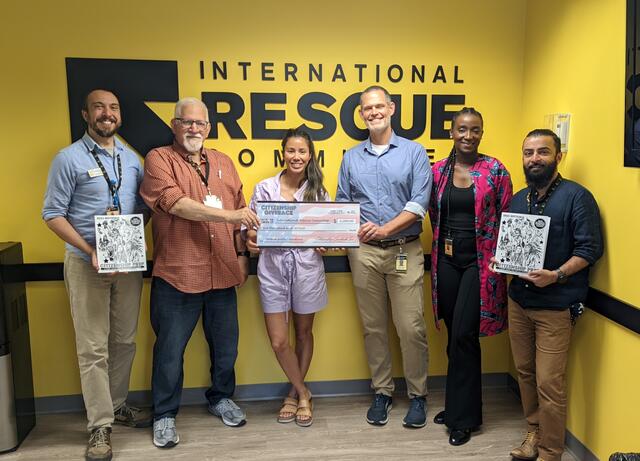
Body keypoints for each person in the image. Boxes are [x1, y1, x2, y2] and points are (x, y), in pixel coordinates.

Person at [140, 97, 260, 449]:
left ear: (208, 128)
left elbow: (241, 211)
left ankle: (220, 397)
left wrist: (244, 250)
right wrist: (233, 218)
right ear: (174, 125)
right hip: (177, 274)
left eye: (200, 123)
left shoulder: (223, 161)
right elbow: (176, 205)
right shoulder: (158, 159)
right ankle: (164, 415)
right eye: (186, 122)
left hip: (222, 271)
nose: (194, 128)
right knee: (169, 351)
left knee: (226, 348)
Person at [42, 89, 151, 461]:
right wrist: (90, 251)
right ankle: (99, 426)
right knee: (93, 348)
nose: (108, 113)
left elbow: (140, 207)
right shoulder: (67, 158)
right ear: (86, 115)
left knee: (125, 340)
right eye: (100, 108)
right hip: (86, 262)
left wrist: (131, 239)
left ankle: (118, 405)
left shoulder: (132, 159)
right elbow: (52, 214)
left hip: (127, 262)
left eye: (114, 108)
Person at [336, 85, 432, 428]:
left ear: (391, 109)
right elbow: (344, 203)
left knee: (411, 327)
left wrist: (385, 229)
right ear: (361, 114)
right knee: (373, 328)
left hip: (404, 249)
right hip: (363, 254)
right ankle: (383, 392)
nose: (373, 112)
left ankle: (418, 395)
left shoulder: (414, 153)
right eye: (367, 108)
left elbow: (419, 203)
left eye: (379, 106)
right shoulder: (351, 157)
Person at [505, 129, 603, 461]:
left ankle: (550, 452)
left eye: (542, 152)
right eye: (528, 153)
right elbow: (513, 247)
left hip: (556, 307)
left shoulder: (577, 197)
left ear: (558, 156)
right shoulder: (519, 198)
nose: (534, 159)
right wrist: (502, 261)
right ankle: (534, 431)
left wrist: (557, 275)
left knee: (550, 383)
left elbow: (590, 249)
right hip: (518, 301)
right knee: (526, 373)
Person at [428, 107, 512, 446]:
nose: (468, 135)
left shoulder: (495, 170)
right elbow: (432, 214)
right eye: (462, 129)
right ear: (451, 132)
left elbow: (508, 217)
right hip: (446, 262)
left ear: (481, 132)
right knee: (453, 335)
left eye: (475, 130)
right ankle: (460, 404)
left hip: (481, 263)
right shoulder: (438, 172)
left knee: (464, 333)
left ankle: (463, 419)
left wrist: (500, 262)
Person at [245, 128, 329, 427]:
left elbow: (327, 234)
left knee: (304, 333)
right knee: (280, 341)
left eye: (302, 151)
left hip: (306, 268)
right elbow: (251, 230)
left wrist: (325, 242)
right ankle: (306, 392)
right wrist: (251, 239)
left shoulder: (318, 191)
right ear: (283, 153)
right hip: (273, 269)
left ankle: (295, 394)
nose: (296, 156)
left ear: (310, 155)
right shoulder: (263, 188)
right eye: (291, 151)